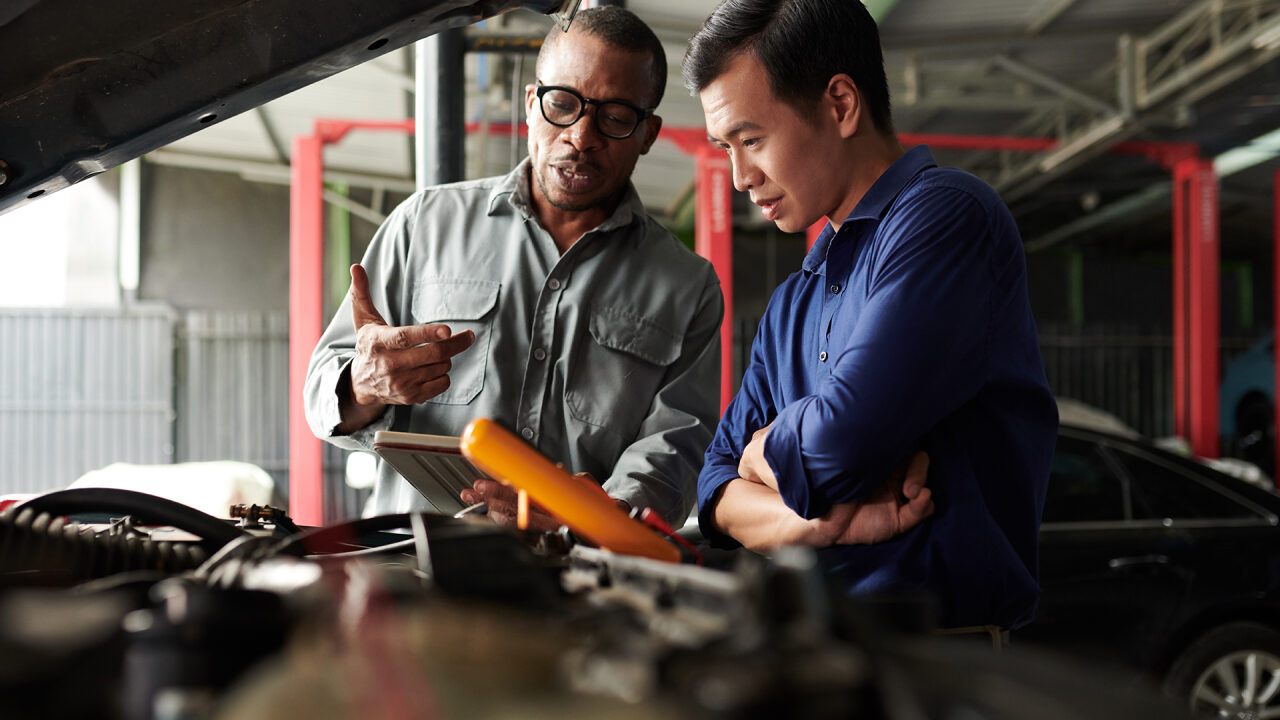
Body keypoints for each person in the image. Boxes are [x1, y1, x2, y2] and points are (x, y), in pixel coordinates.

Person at [684, 0, 1058, 631]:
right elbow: (714, 492)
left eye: (751, 140)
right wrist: (823, 523)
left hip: (939, 660)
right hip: (812, 651)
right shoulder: (791, 303)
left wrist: (760, 455)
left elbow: (838, 447)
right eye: (725, 147)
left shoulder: (946, 217)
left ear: (840, 104)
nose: (740, 177)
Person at [303, 6, 723, 530]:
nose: (581, 136)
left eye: (615, 118)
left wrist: (587, 516)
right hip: (411, 571)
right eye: (562, 104)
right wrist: (362, 387)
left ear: (648, 134)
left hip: (573, 584)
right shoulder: (423, 225)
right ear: (531, 104)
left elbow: (674, 453)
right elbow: (322, 392)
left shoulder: (688, 288)